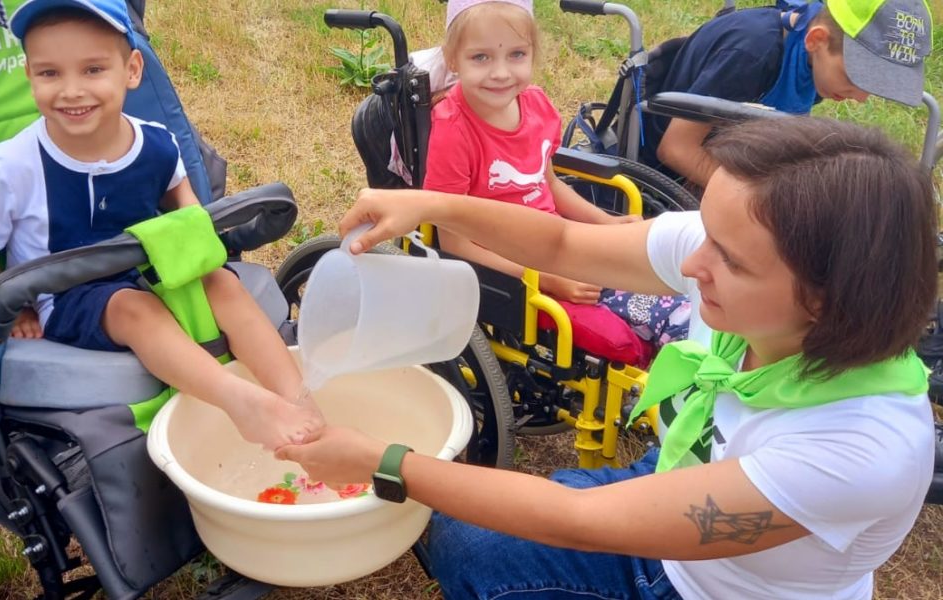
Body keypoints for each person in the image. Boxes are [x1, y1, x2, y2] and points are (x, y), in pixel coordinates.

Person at [278, 117, 937, 599]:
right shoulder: (747, 252)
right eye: (705, 233)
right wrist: (431, 204)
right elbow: (566, 242)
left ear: (825, 303)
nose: (693, 263)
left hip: (728, 589)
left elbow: (584, 524)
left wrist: (384, 461)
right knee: (464, 543)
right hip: (681, 471)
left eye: (728, 261)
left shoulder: (860, 449)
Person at [0, 0, 324, 450]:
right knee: (134, 309)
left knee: (222, 283)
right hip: (67, 295)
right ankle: (240, 401)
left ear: (131, 70)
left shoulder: (157, 144)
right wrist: (14, 306)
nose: (71, 90)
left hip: (152, 268)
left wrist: (206, 262)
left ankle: (302, 401)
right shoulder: (9, 168)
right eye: (50, 73)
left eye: (93, 70)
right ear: (30, 76)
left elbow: (192, 224)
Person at [427, 0, 689, 354]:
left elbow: (547, 183)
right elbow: (455, 244)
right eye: (481, 57)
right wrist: (547, 280)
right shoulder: (453, 129)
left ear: (533, 52)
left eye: (517, 54)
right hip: (516, 271)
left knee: (676, 287)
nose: (502, 73)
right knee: (633, 338)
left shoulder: (535, 104)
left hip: (560, 242)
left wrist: (604, 224)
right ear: (452, 58)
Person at [644, 0, 933, 188]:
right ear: (816, 40)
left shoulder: (811, 59)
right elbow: (675, 149)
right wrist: (756, 199)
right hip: (667, 177)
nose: (860, 98)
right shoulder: (751, 54)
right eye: (855, 78)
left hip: (732, 153)